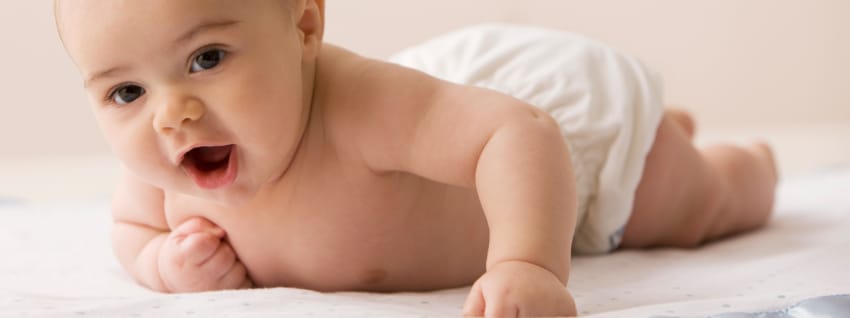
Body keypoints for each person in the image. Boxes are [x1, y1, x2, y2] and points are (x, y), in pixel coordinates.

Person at [54, 0, 778, 316]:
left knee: (695, 206)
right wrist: (164, 267)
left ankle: (745, 162)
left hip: (561, 169)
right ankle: (673, 131)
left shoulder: (358, 109)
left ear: (304, 23)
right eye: (124, 92)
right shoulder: (164, 170)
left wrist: (526, 264)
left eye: (207, 58)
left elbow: (519, 134)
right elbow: (131, 232)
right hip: (464, 144)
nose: (169, 112)